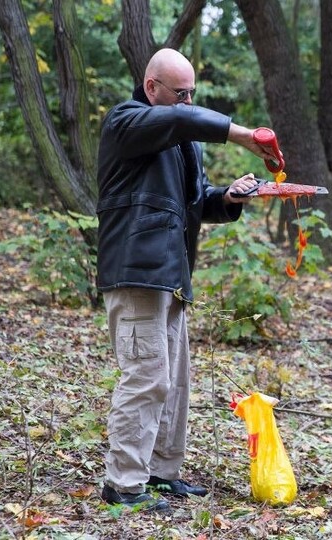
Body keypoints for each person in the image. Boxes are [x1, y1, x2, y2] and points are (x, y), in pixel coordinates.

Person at [95, 48, 279, 512]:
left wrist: (231, 197)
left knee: (174, 383)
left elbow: (197, 203)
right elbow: (179, 122)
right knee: (146, 377)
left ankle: (159, 473)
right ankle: (123, 485)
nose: (187, 101)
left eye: (193, 93)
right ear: (151, 86)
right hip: (137, 273)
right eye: (181, 93)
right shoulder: (126, 122)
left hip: (173, 277)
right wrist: (242, 134)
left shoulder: (184, 141)